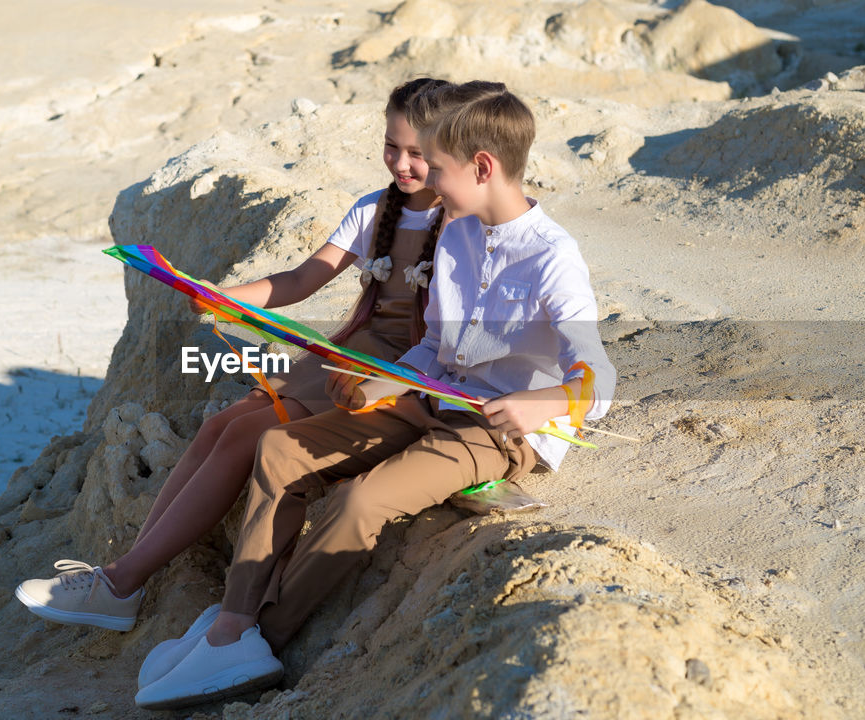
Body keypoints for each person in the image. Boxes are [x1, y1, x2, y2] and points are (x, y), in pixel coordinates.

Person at [133, 80, 616, 710]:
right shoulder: (460, 236)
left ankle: (262, 639)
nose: (429, 187)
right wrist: (378, 383)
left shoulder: (554, 258)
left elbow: (598, 378)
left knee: (361, 501)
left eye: (437, 169)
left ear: (483, 166)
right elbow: (435, 351)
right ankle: (232, 622)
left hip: (496, 431)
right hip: (432, 395)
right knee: (279, 448)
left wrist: (541, 403)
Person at [13, 78, 450, 635]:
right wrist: (220, 297)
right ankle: (121, 579)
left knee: (247, 436)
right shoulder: (374, 209)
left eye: (418, 153)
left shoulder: (461, 225)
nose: (402, 163)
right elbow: (300, 278)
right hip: (344, 356)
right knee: (224, 423)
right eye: (393, 146)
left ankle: (120, 583)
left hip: (397, 373)